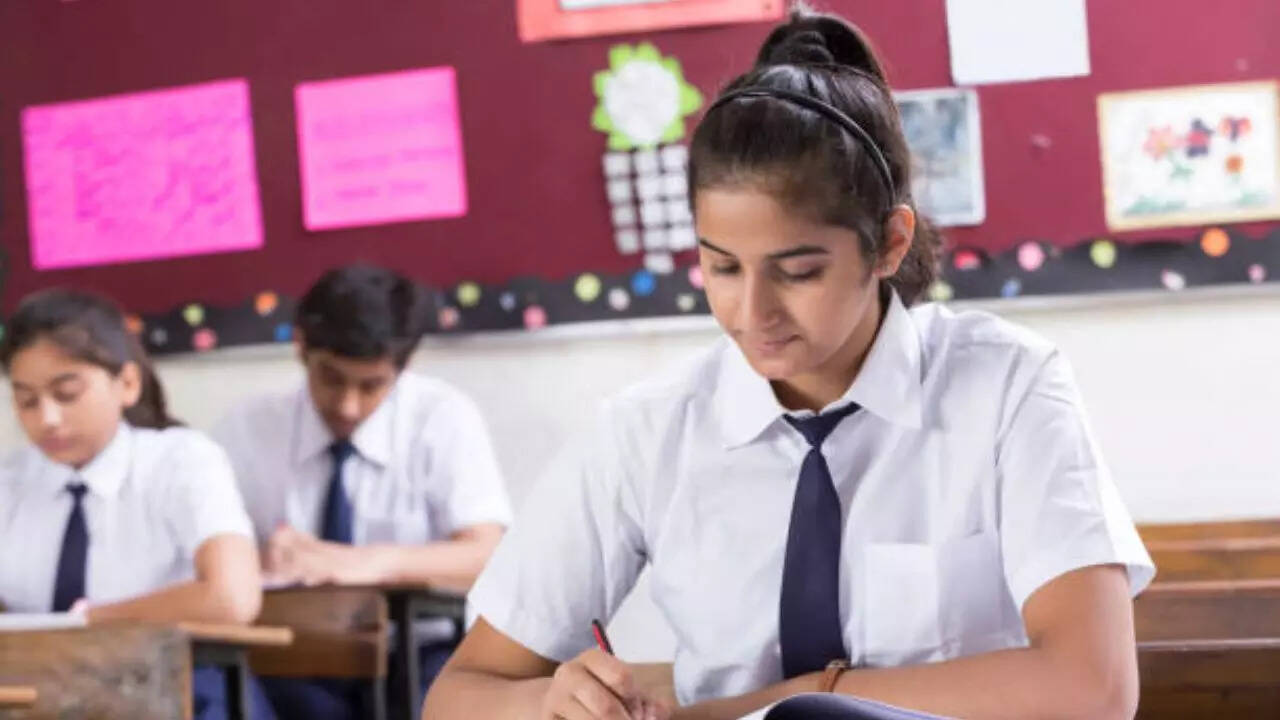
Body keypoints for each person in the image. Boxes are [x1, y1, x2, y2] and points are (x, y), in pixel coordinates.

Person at [423, 6, 1153, 720]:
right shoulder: (645, 432)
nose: (753, 313)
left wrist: (785, 700)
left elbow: (1092, 690)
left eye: (798, 272)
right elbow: (459, 696)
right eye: (721, 267)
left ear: (890, 243)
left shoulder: (1008, 386)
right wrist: (551, 702)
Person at [213, 264, 511, 719]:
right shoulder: (248, 427)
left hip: (419, 652)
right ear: (300, 347)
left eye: (371, 385)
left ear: (403, 366)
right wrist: (260, 560)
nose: (348, 406)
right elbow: (201, 563)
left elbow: (489, 555)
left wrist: (364, 564)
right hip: (295, 656)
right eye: (331, 378)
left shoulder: (443, 417)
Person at [0, 289, 270, 720]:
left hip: (175, 689)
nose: (46, 418)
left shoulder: (181, 460)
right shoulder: (10, 482)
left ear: (126, 384)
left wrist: (88, 621)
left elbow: (231, 597)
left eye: (67, 393)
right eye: (26, 400)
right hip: (47, 696)